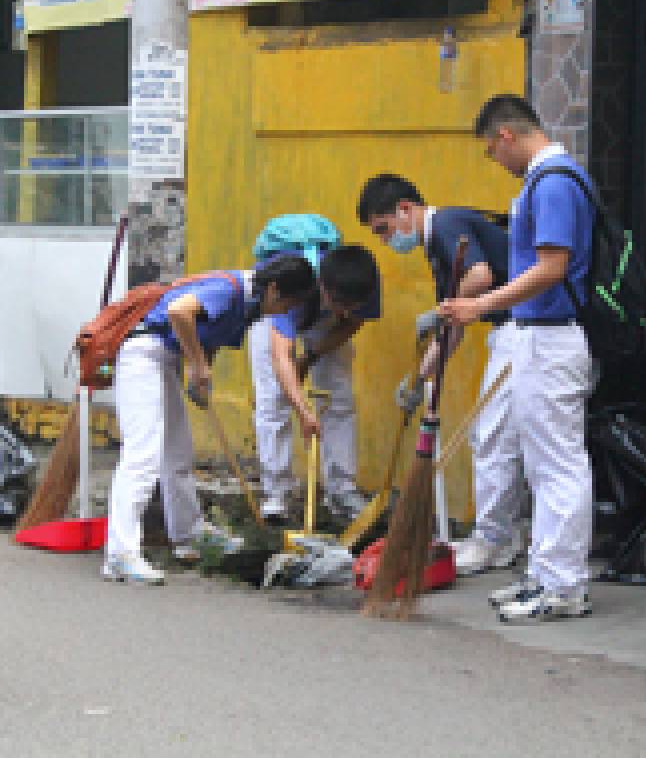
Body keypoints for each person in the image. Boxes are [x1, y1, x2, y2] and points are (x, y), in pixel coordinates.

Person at [439, 94, 597, 622]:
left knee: (557, 465)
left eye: (490, 151)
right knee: (541, 461)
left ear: (505, 135)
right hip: (539, 336)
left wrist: (480, 304)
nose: (495, 161)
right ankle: (546, 574)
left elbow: (552, 266)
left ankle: (564, 584)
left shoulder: (552, 181)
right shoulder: (548, 179)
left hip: (551, 339)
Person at [104, 255, 319, 585]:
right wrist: (198, 365)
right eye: (290, 303)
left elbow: (209, 336)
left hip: (165, 359)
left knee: (178, 454)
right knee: (142, 455)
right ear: (274, 289)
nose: (287, 312)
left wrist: (201, 375)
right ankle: (120, 554)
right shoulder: (229, 289)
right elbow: (179, 312)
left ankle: (188, 538)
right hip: (142, 354)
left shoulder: (249, 307)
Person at [356, 173, 529, 576]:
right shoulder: (438, 249)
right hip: (515, 334)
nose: (386, 240)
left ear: (405, 209)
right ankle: (507, 537)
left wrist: (439, 312)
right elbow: (454, 329)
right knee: (504, 439)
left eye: (384, 229)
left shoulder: (448, 224)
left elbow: (480, 277)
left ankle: (492, 540)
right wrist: (419, 377)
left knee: (491, 437)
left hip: (523, 333)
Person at [249, 242, 380, 523]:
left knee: (340, 398)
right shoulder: (291, 286)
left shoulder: (364, 281)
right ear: (323, 288)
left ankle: (342, 490)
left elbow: (351, 323)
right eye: (341, 305)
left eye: (352, 306)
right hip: (274, 310)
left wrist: (311, 354)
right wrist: (303, 410)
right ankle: (277, 493)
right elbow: (281, 357)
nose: (346, 311)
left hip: (323, 321)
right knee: (274, 398)